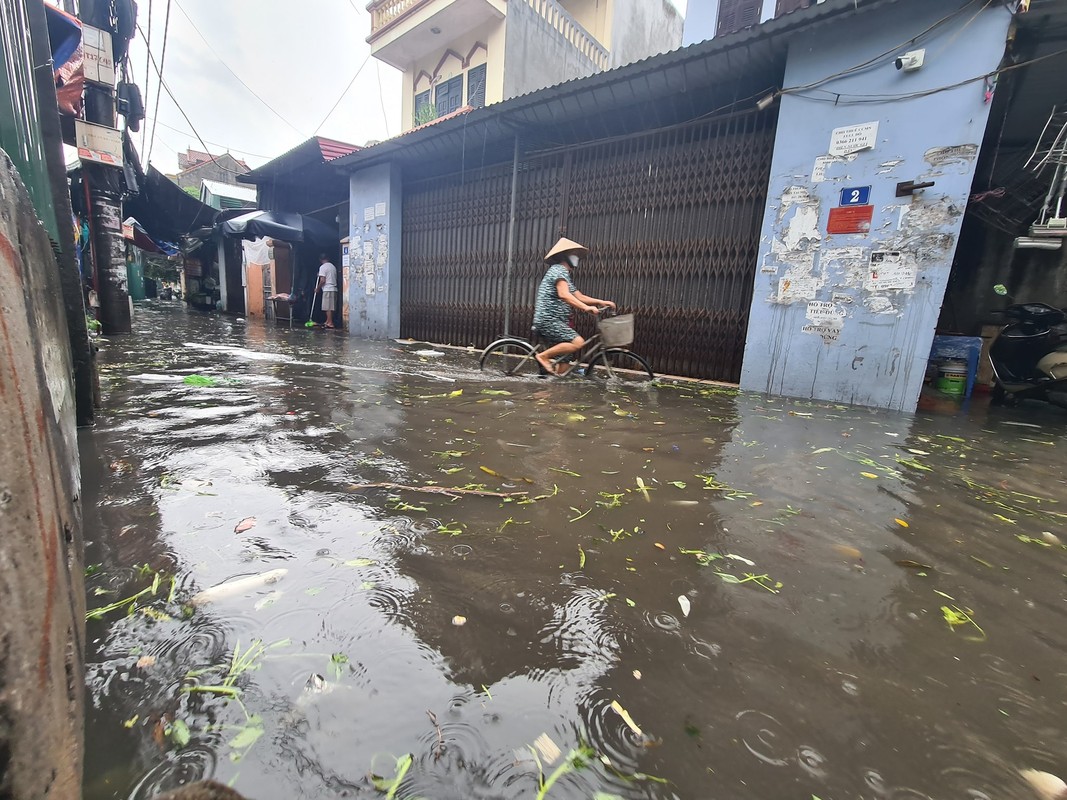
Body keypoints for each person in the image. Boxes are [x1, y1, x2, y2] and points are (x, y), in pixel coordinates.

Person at [533, 237, 615, 375]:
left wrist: (600, 302)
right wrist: (585, 308)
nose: (576, 258)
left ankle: (554, 387)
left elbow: (579, 296)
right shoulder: (558, 270)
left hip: (558, 321)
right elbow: (564, 294)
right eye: (574, 254)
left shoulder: (564, 275)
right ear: (565, 256)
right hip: (548, 320)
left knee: (565, 359)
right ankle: (543, 357)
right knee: (578, 342)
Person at [315, 253, 338, 329]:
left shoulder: (323, 267)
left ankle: (330, 323)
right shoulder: (333, 266)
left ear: (320, 260)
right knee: (331, 307)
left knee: (327, 307)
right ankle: (328, 321)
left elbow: (322, 280)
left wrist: (317, 288)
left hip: (327, 288)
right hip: (334, 288)